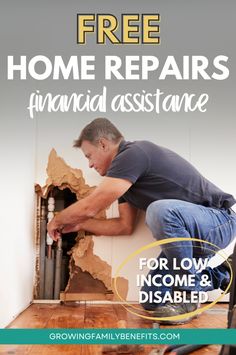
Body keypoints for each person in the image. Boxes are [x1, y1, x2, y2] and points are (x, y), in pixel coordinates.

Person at [47, 118, 236, 324]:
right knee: (151, 299)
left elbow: (91, 206)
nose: (90, 164)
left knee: (159, 209)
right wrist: (81, 225)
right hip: (188, 240)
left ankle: (188, 295)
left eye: (89, 156)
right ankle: (224, 275)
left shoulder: (134, 153)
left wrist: (57, 219)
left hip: (219, 221)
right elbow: (124, 226)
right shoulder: (123, 182)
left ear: (103, 144)